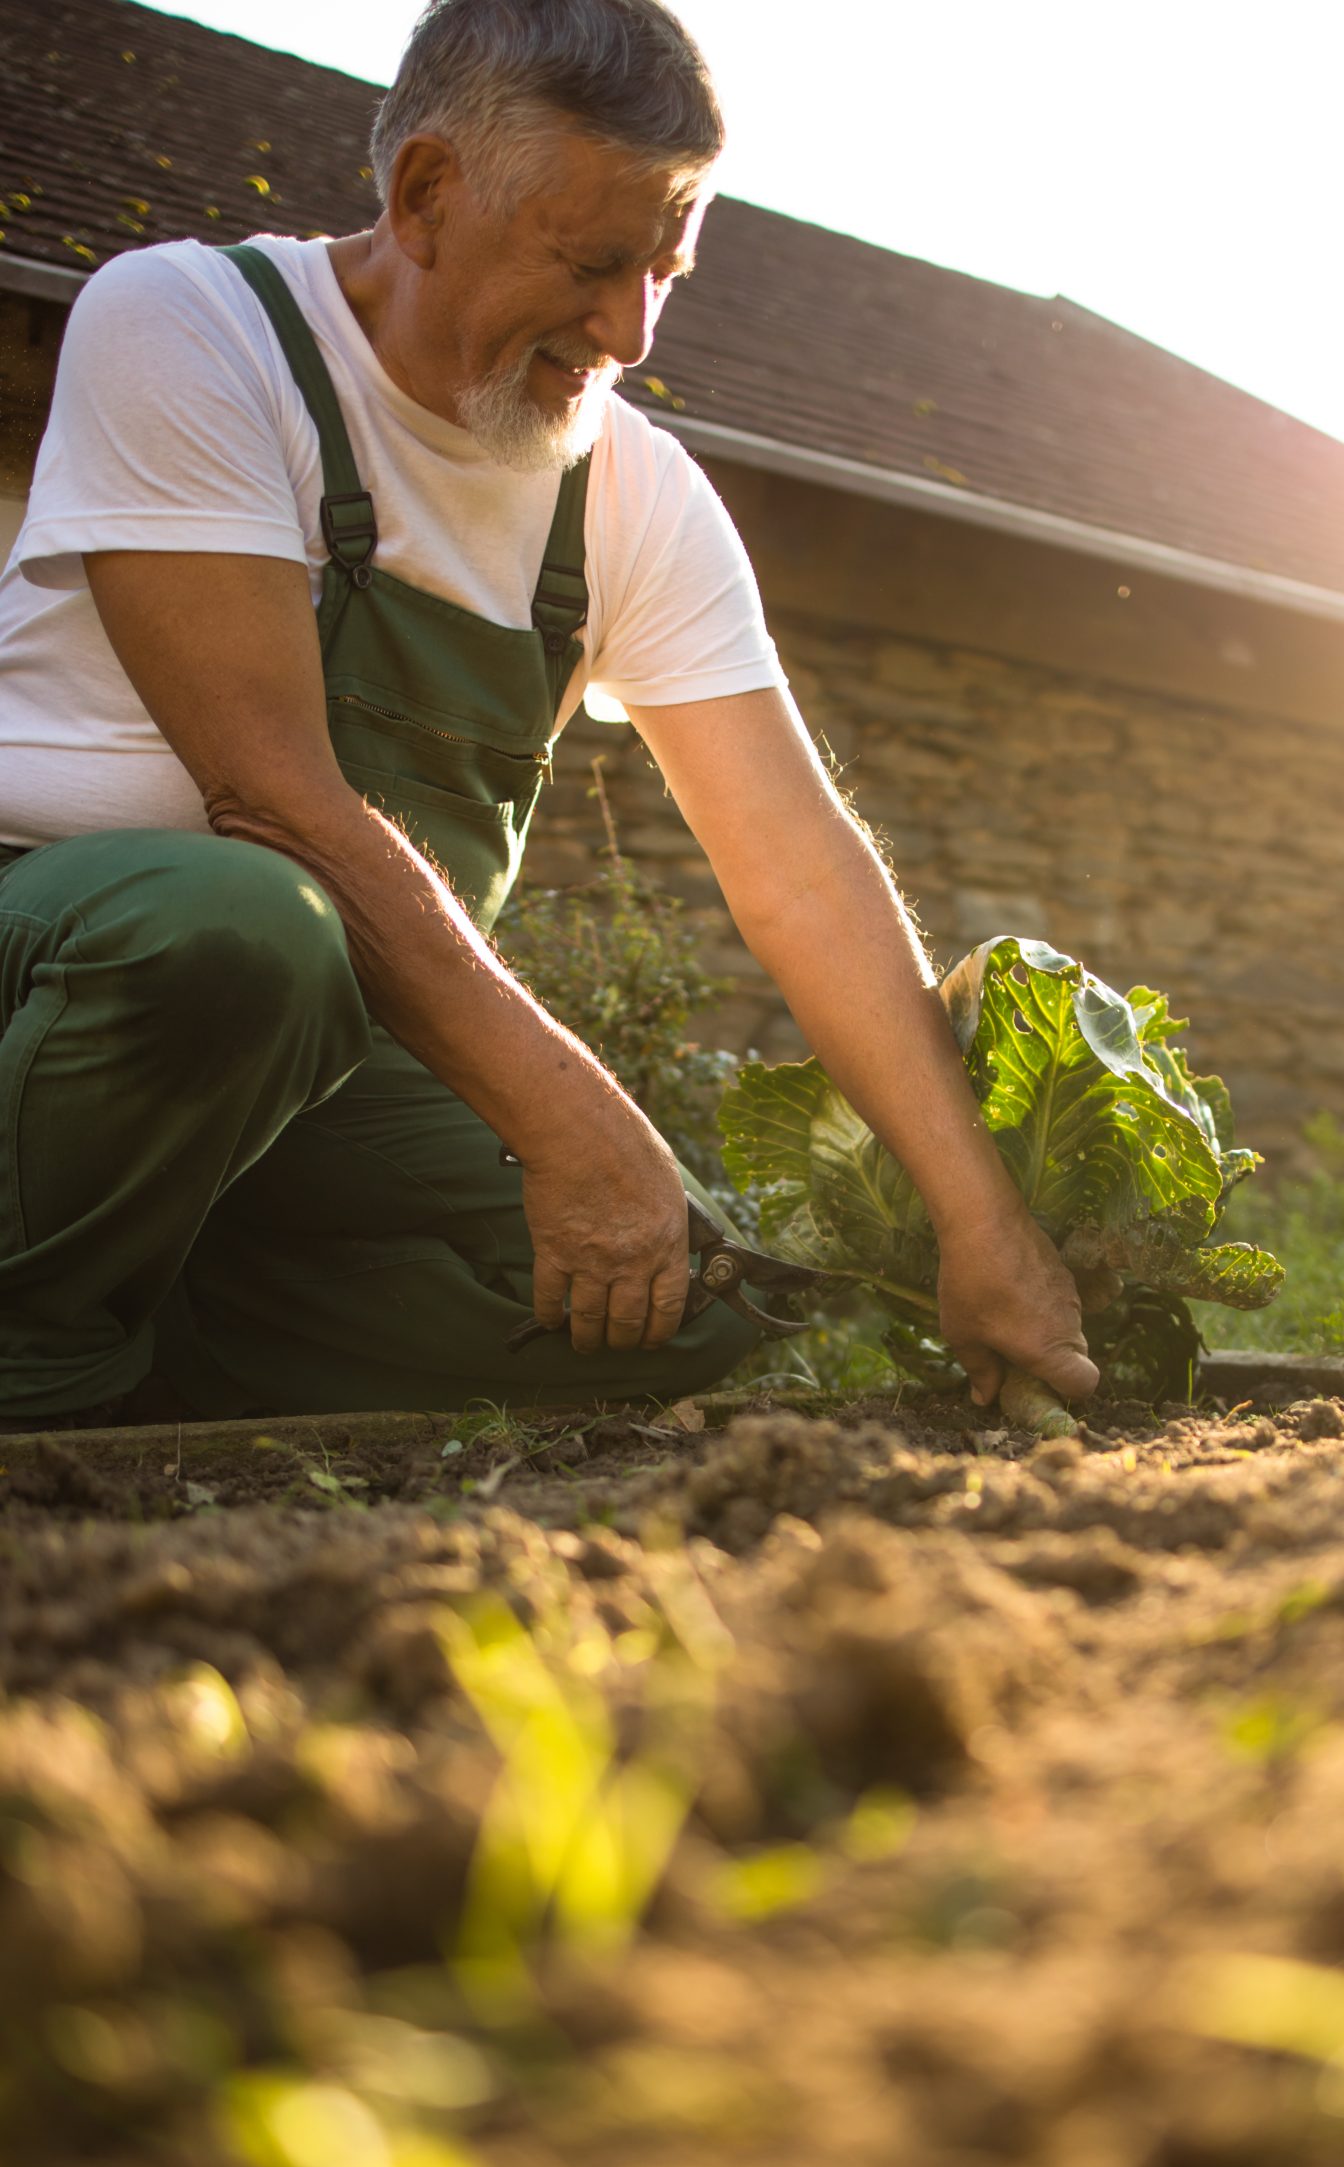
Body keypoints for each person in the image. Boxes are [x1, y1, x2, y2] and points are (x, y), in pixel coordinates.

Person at [0, 0, 1096, 1427]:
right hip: (68, 964)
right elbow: (270, 797)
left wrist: (983, 1222)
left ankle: (140, 1330)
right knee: (242, 928)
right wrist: (577, 1118)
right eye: (593, 264)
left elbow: (798, 862)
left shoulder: (631, 493)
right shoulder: (193, 326)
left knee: (680, 1301)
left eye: (666, 270)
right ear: (427, 195)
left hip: (325, 1051)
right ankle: (36, 1378)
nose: (631, 331)